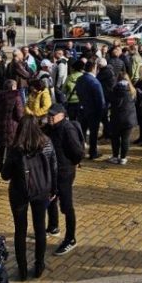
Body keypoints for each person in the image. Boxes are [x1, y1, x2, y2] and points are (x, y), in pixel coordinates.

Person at [0, 114, 56, 280]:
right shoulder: (46, 143)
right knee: (40, 229)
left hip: (19, 191)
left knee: (20, 231)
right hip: (41, 190)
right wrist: (54, 189)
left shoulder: (15, 148)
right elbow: (54, 168)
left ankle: (22, 269)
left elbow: (5, 175)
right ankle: (39, 265)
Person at [44, 104, 84, 256]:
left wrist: (70, 164)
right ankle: (53, 227)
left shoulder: (67, 129)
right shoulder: (49, 128)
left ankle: (70, 238)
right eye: (49, 115)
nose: (50, 117)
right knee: (50, 199)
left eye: (53, 115)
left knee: (67, 206)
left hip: (64, 172)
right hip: (52, 172)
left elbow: (77, 152)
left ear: (62, 115)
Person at [75, 59, 106, 159]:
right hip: (93, 111)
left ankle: (81, 151)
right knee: (93, 133)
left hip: (82, 109)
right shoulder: (95, 82)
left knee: (82, 132)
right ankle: (93, 152)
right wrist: (102, 113)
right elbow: (100, 100)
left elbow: (78, 93)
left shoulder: (80, 79)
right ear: (94, 68)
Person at [0, 79, 24, 173]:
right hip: (11, 126)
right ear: (13, 87)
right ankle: (8, 168)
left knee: (0, 147)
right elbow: (19, 114)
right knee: (10, 147)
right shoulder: (16, 96)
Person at [108, 71, 137, 164]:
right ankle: (123, 158)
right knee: (125, 139)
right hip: (129, 119)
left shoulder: (114, 90)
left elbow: (111, 102)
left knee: (115, 138)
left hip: (116, 118)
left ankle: (115, 156)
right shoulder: (132, 90)